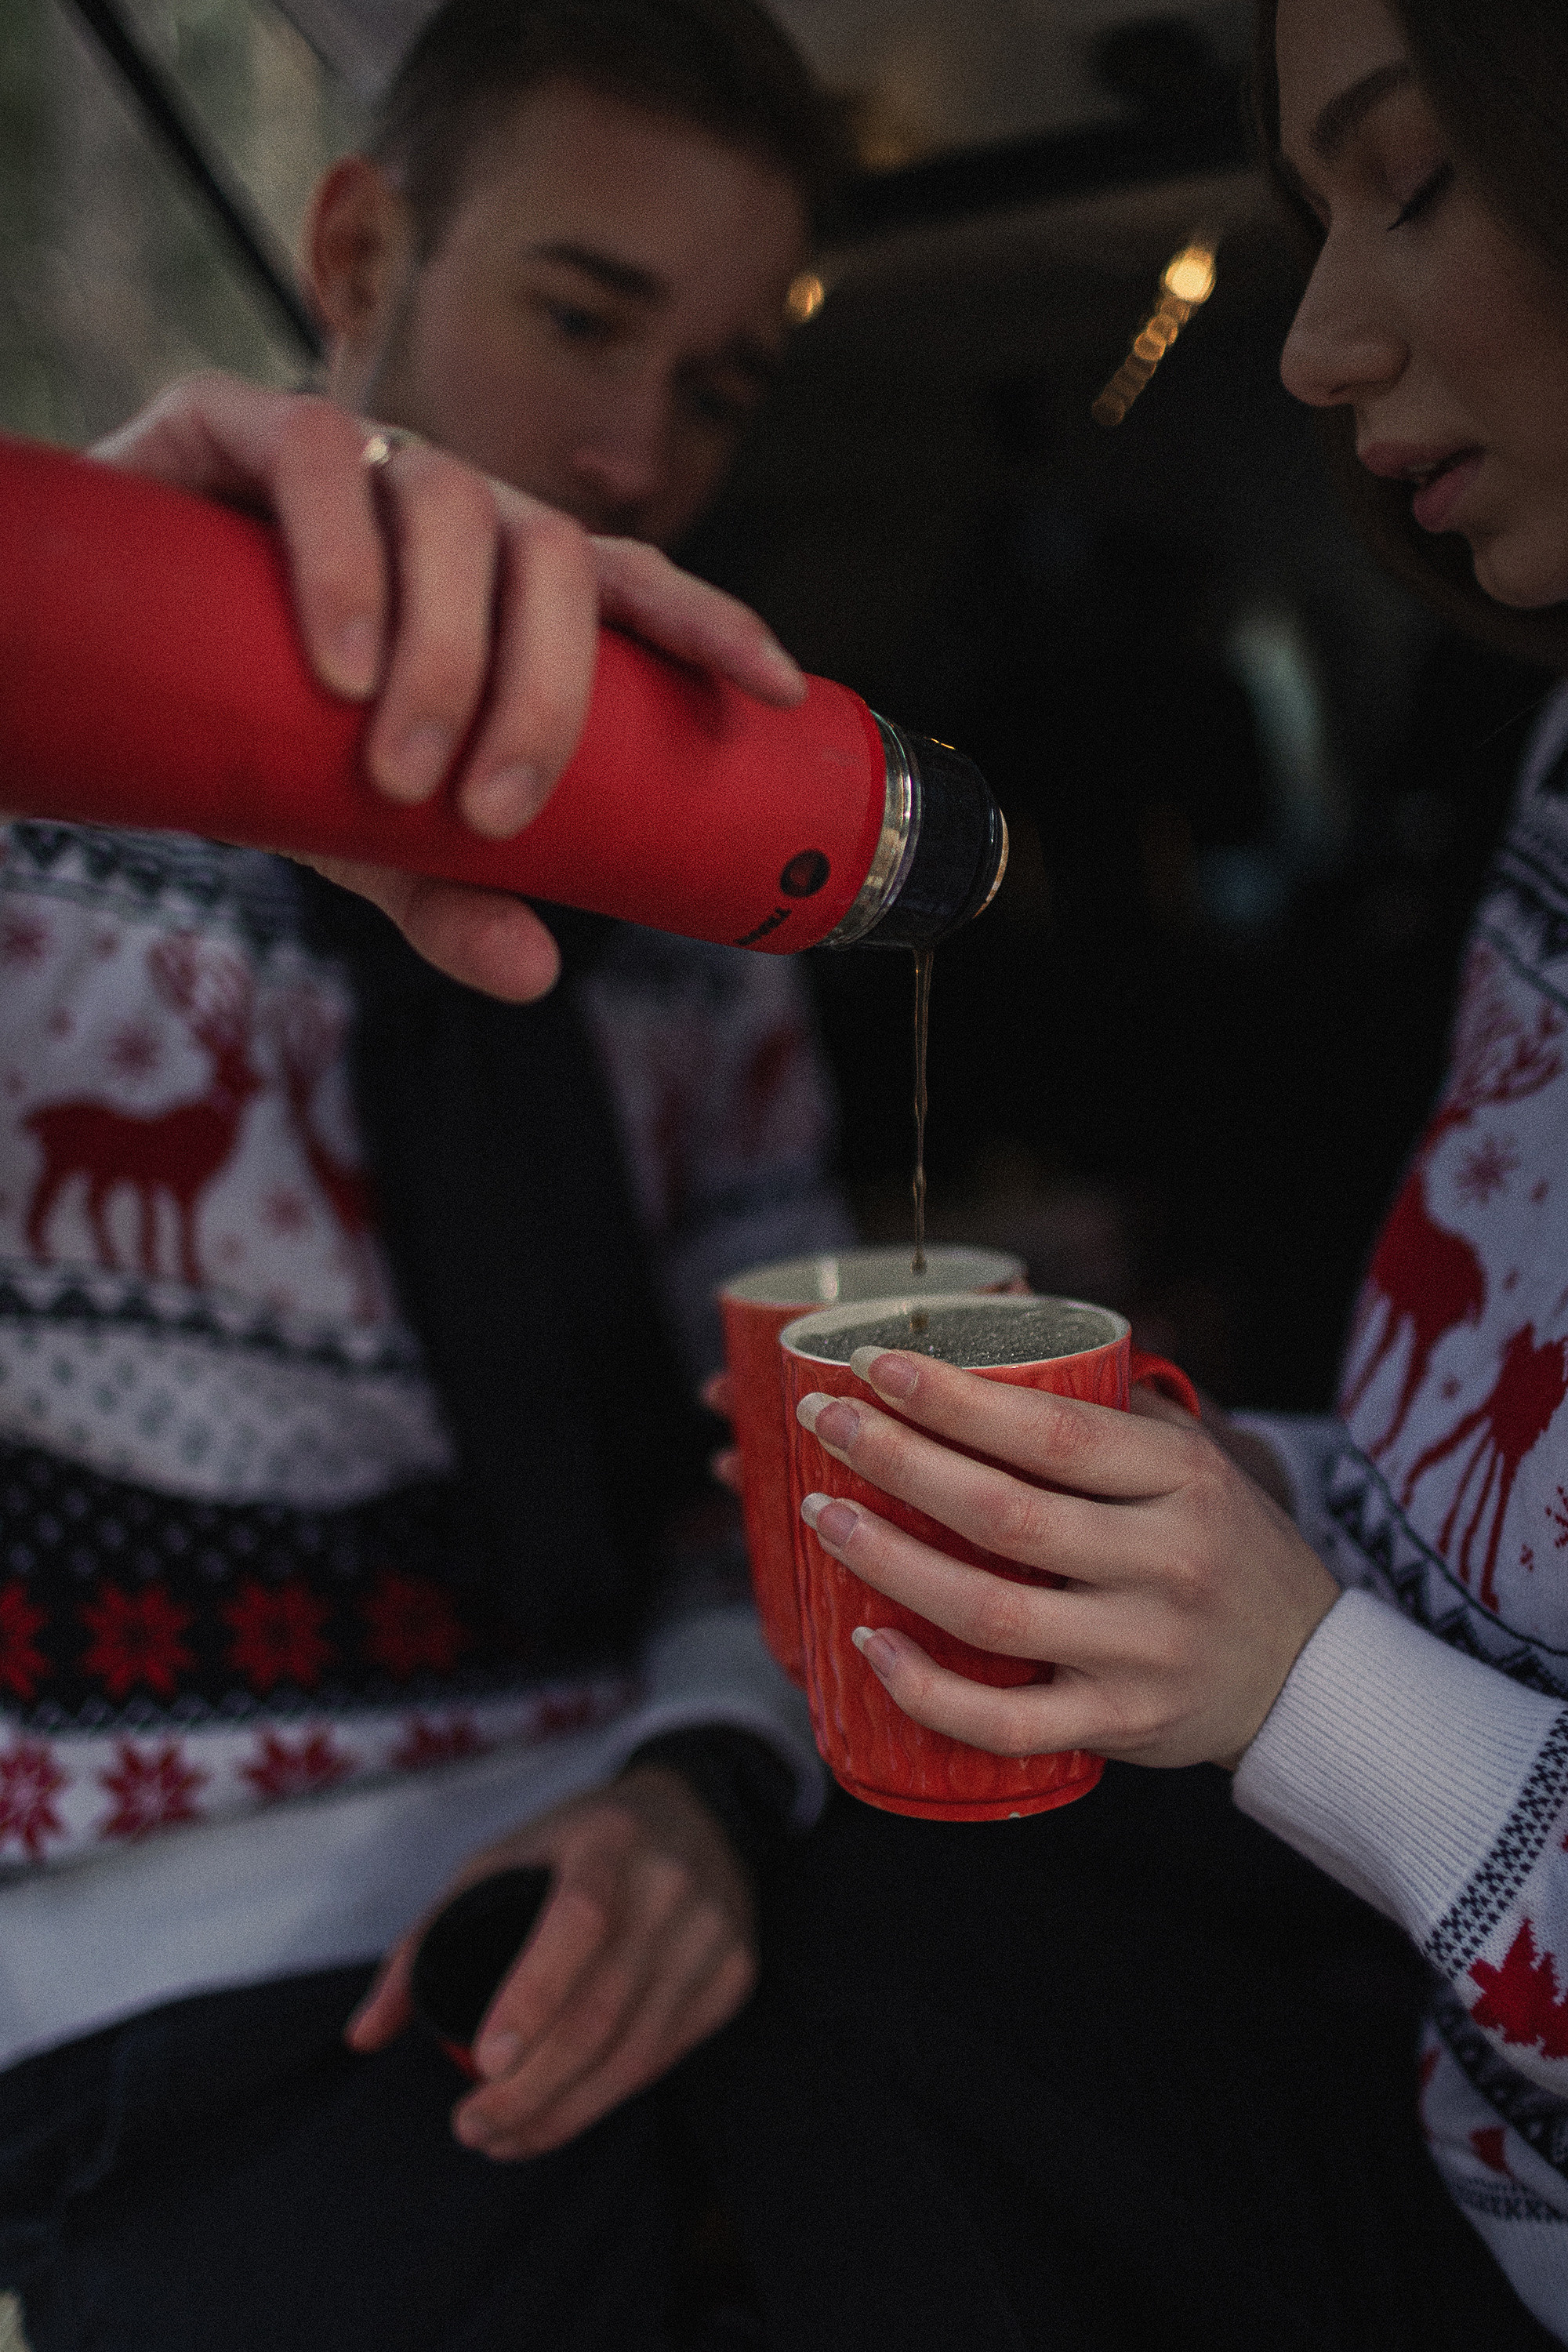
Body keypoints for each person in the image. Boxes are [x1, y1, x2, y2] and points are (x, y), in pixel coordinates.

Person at [697, 2, 1568, 2345]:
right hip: (1406, 2047)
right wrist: (1138, 1485)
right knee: (851, 1958)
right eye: (1305, 222)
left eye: (1412, 181)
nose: (1311, 345)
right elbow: (1475, 1500)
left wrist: (1300, 1681)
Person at [0, 5, 852, 2346]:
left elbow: (767, 1446)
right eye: (581, 317)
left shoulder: (705, 909)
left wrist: (705, 1776)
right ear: (361, 246)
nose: (631, 452)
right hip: (201, 1969)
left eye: (716, 387)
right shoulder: (42, 787)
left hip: (668, 1857)